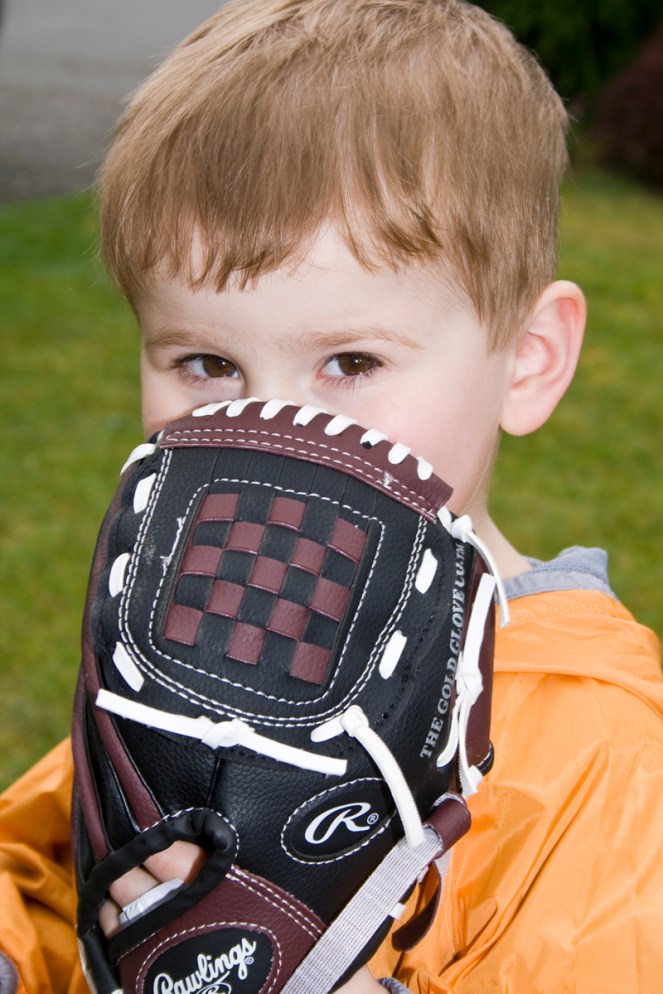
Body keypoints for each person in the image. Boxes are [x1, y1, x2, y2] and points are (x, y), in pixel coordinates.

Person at [1, 1, 662, 992]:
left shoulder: (609, 752)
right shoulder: (187, 633)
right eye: (207, 362)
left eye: (351, 361)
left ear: (527, 362)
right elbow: (44, 869)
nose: (274, 426)